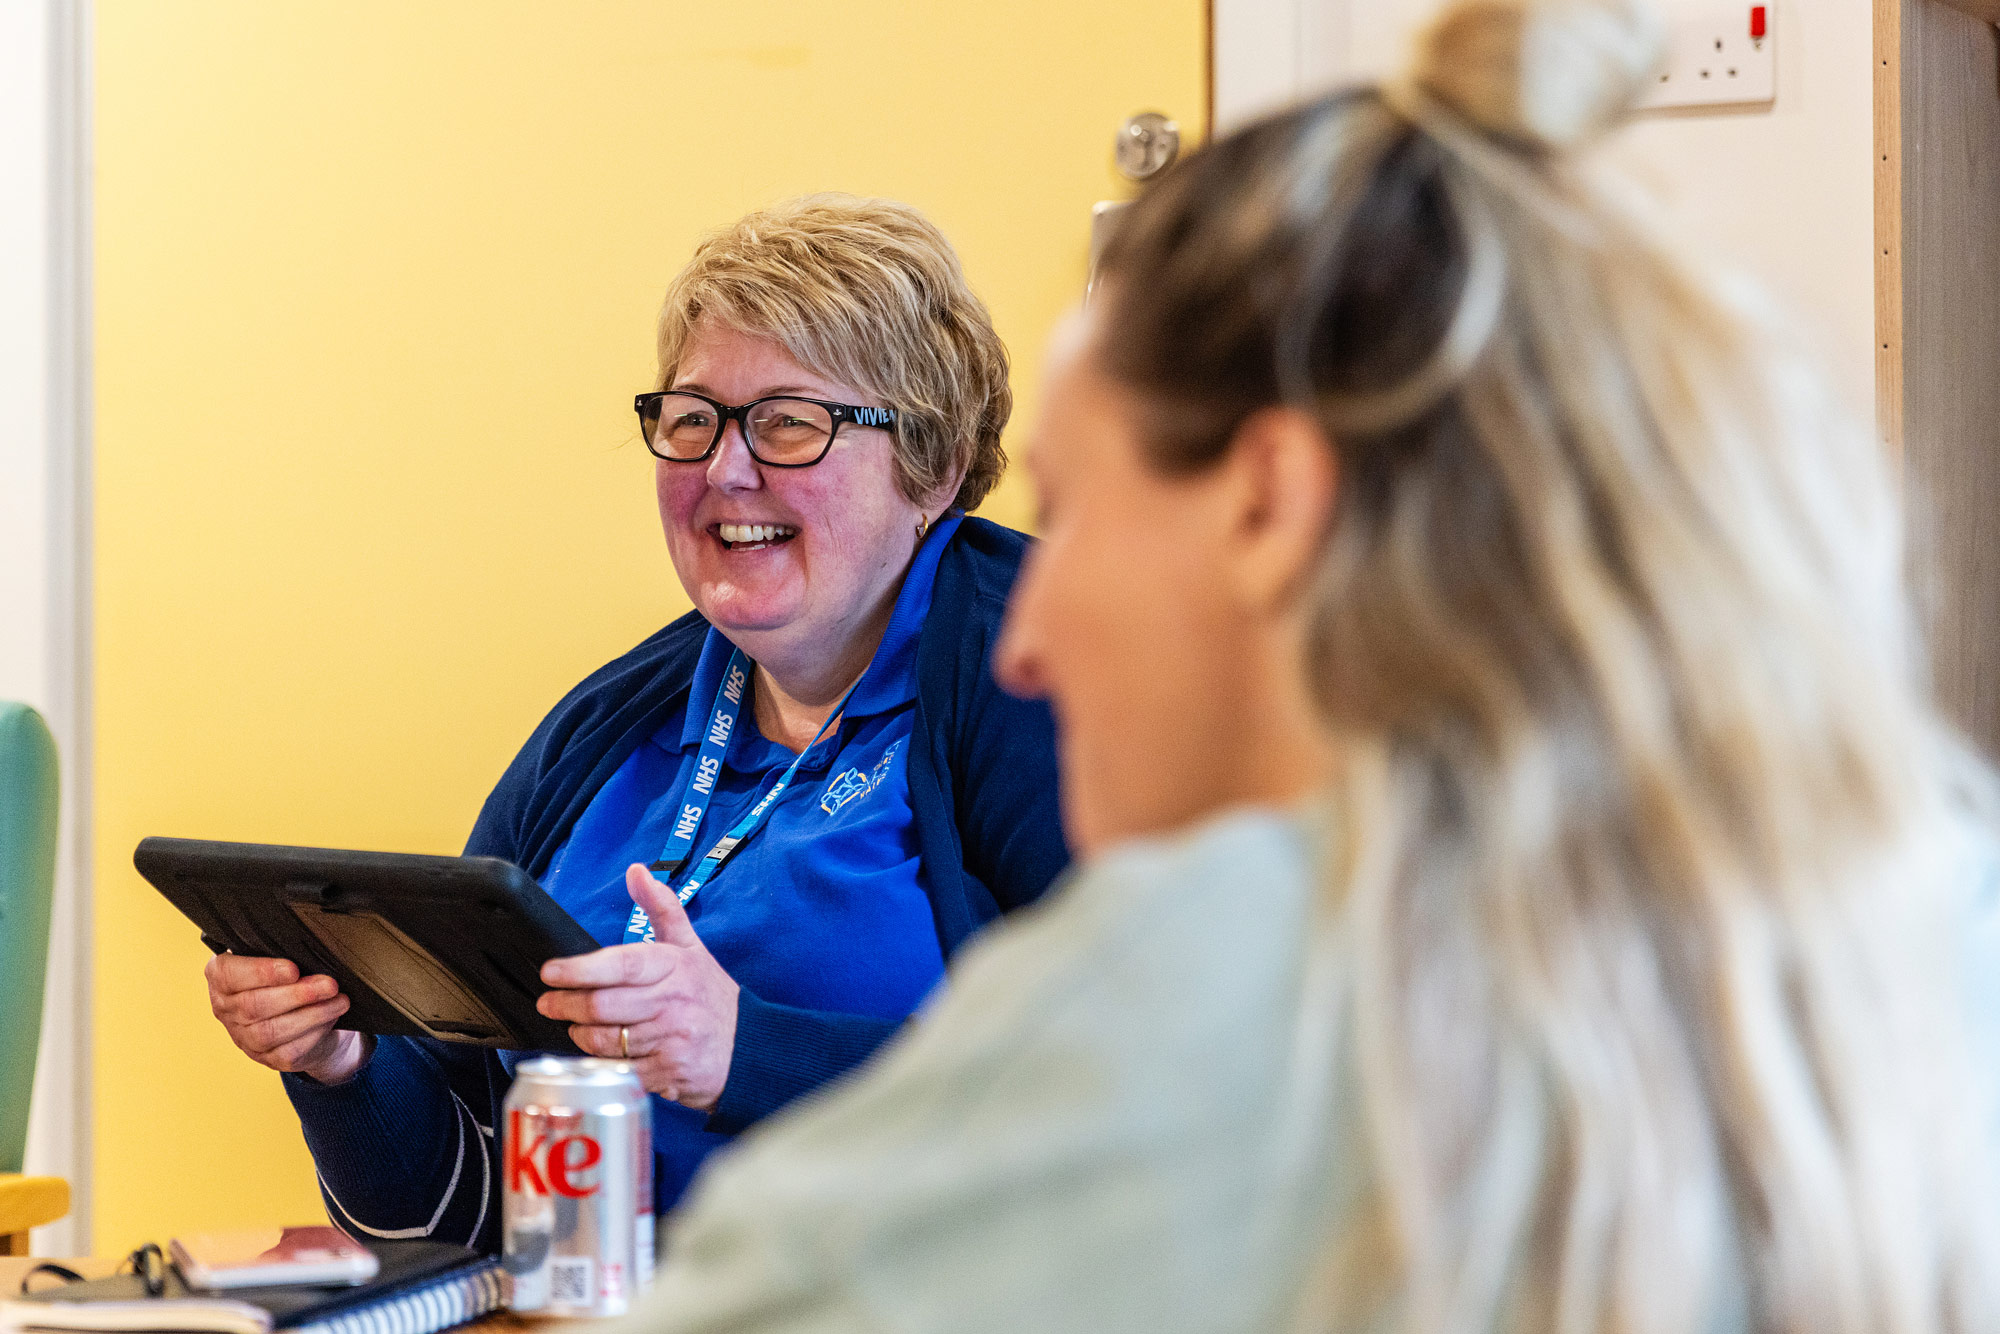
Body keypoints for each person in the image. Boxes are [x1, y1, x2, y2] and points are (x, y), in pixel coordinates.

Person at [601, 2, 2000, 1329]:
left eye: (1074, 503)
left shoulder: (1218, 981)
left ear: (1268, 504)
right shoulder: (1927, 896)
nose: (1021, 634)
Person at [200, 196, 1070, 1246]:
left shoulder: (1036, 676)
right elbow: (459, 1205)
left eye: (789, 422)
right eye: (692, 419)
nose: (724, 469)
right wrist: (344, 1065)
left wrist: (741, 1051)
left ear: (927, 464)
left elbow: (1136, 1100)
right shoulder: (617, 719)